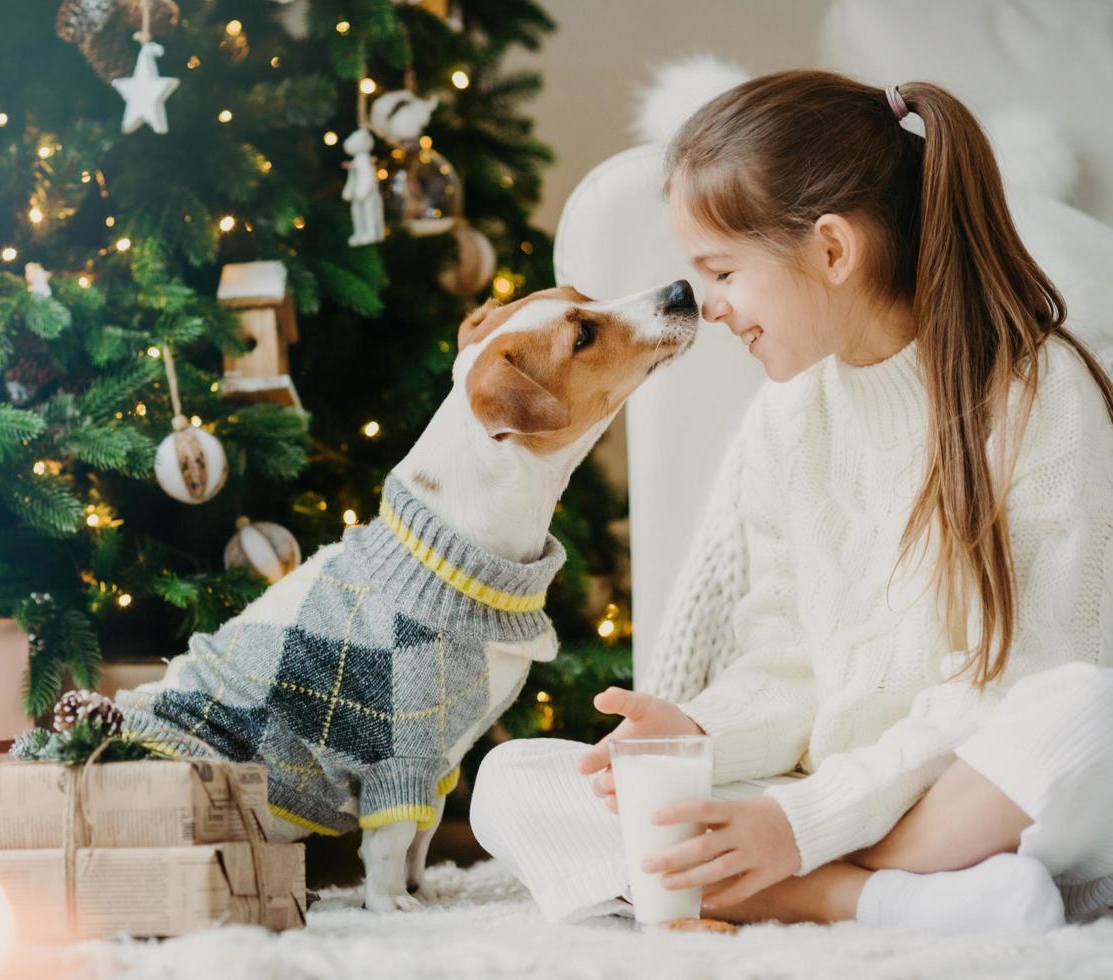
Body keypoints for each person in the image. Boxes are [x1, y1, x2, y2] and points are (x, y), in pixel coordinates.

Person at [468, 69, 1113, 935]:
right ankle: (886, 901)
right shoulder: (789, 417)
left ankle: (833, 880)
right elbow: (784, 663)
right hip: (836, 804)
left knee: (1083, 714)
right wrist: (696, 734)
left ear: (834, 250)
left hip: (969, 797)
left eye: (722, 270)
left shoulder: (1040, 394)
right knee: (517, 787)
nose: (713, 306)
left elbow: (1021, 681)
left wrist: (804, 826)